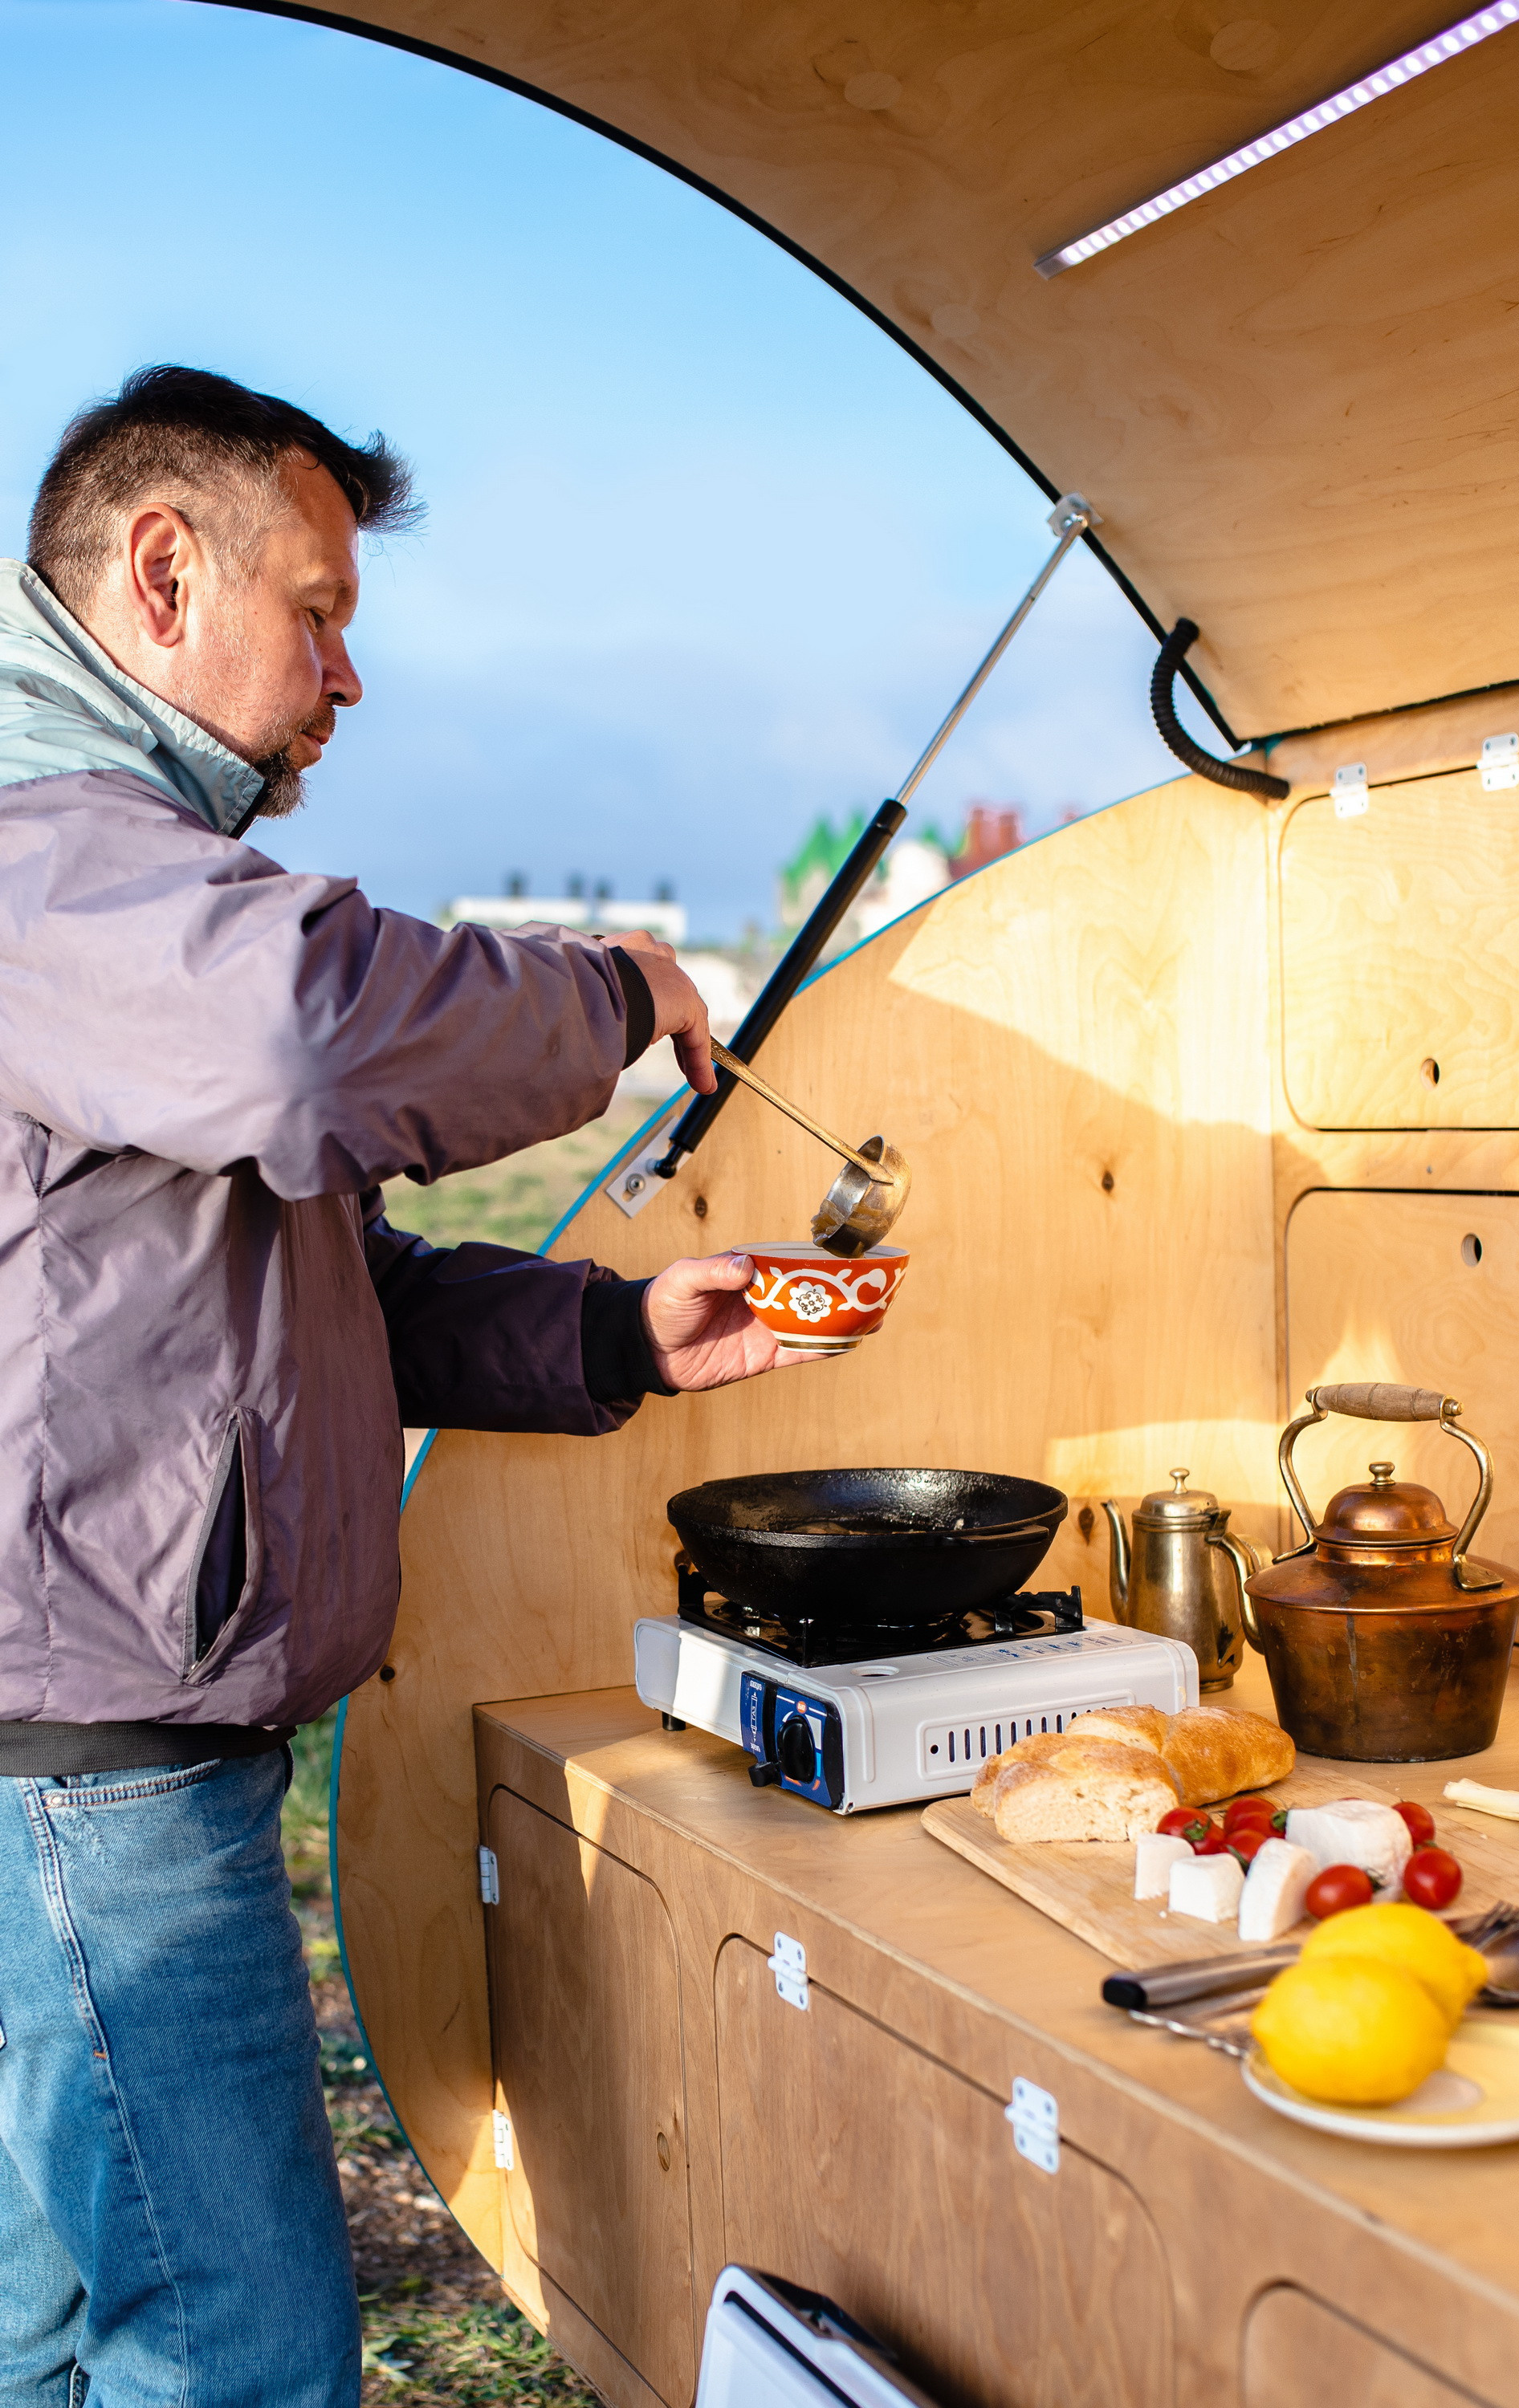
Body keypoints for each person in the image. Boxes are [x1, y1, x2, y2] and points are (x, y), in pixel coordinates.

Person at [0, 366, 811, 2408]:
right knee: (238, 2350)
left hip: (81, 1742)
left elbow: (320, 1283)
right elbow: (309, 1044)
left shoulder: (117, 891)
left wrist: (620, 1333)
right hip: (98, 1763)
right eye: (320, 612)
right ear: (161, 572)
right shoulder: (55, 864)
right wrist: (614, 989)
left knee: (61, 2324)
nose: (345, 677)